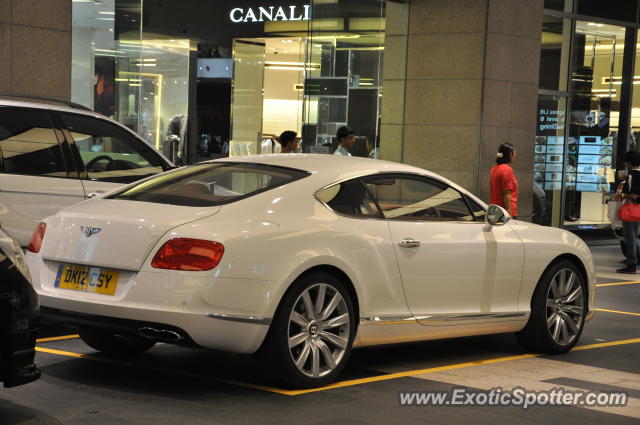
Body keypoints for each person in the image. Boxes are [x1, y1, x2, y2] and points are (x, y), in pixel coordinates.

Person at [617, 151, 640, 274]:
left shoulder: (632, 175)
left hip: (630, 210)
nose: (625, 164)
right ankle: (632, 262)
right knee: (634, 237)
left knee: (629, 238)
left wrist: (622, 195)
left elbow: (632, 194)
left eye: (626, 161)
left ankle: (631, 264)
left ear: (630, 162)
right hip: (638, 210)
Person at [489, 143, 518, 219]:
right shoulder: (507, 169)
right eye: (514, 153)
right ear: (510, 154)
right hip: (504, 212)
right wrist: (509, 212)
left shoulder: (494, 168)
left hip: (495, 210)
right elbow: (506, 193)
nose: (515, 155)